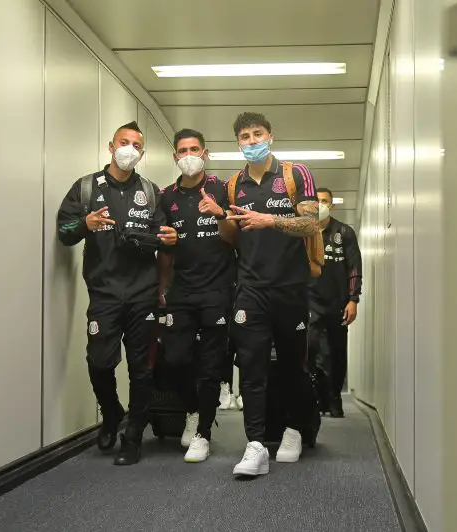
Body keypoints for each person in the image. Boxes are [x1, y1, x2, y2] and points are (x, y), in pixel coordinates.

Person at [56, 121, 178, 466]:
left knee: (141, 369)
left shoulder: (150, 192)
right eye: (124, 143)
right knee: (99, 362)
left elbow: (165, 237)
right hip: (104, 293)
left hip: (143, 295)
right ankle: (111, 412)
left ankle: (133, 436)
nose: (129, 150)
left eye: (136, 146)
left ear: (142, 153)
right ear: (111, 147)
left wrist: (169, 239)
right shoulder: (85, 188)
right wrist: (85, 224)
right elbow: (64, 231)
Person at [217, 111, 322, 477]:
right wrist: (221, 218)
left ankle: (294, 429)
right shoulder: (234, 184)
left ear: (271, 136)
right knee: (251, 366)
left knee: (293, 365)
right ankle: (256, 444)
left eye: (257, 134)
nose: (252, 141)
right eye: (245, 137)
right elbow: (232, 238)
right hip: (250, 288)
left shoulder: (295, 174)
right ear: (238, 143)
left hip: (290, 287)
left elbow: (312, 223)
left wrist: (270, 220)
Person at [157, 128, 237, 462]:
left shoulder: (223, 188)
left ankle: (203, 432)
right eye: (182, 150)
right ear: (175, 156)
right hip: (181, 290)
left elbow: (236, 238)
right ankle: (192, 409)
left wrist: (220, 214)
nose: (188, 155)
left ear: (205, 153)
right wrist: (161, 286)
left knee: (210, 364)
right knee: (175, 358)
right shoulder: (166, 196)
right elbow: (163, 247)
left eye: (194, 149)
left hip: (217, 289)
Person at [307, 188, 362, 418]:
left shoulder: (344, 232)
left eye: (324, 201)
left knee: (337, 352)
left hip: (338, 303)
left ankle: (334, 399)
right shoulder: (304, 232)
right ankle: (316, 399)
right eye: (317, 201)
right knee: (312, 348)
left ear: (332, 205)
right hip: (310, 302)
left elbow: (354, 267)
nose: (320, 205)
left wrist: (353, 299)